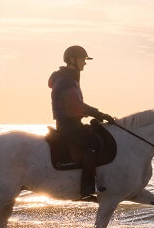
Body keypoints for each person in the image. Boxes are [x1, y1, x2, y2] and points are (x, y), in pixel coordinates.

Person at [48, 45, 114, 202]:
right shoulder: (65, 80)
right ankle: (86, 190)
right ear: (72, 60)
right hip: (68, 125)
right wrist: (99, 114)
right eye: (82, 59)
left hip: (72, 122)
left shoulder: (70, 78)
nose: (85, 63)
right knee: (90, 148)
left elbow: (75, 106)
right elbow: (76, 105)